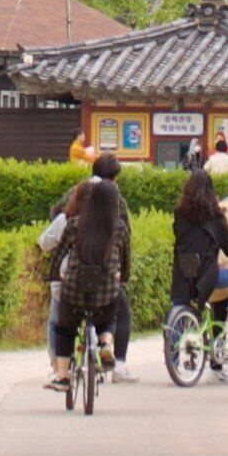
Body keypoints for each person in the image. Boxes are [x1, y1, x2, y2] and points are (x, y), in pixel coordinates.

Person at [46, 153, 133, 391]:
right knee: (110, 317)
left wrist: (53, 275)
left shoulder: (75, 224)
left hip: (74, 288)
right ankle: (106, 343)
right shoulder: (120, 228)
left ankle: (63, 377)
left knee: (64, 328)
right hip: (106, 290)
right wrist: (122, 278)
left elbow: (58, 254)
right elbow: (125, 262)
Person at [171, 161, 228, 331]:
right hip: (207, 273)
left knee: (179, 303)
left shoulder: (180, 213)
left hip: (183, 269)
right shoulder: (215, 215)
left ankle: (173, 343)